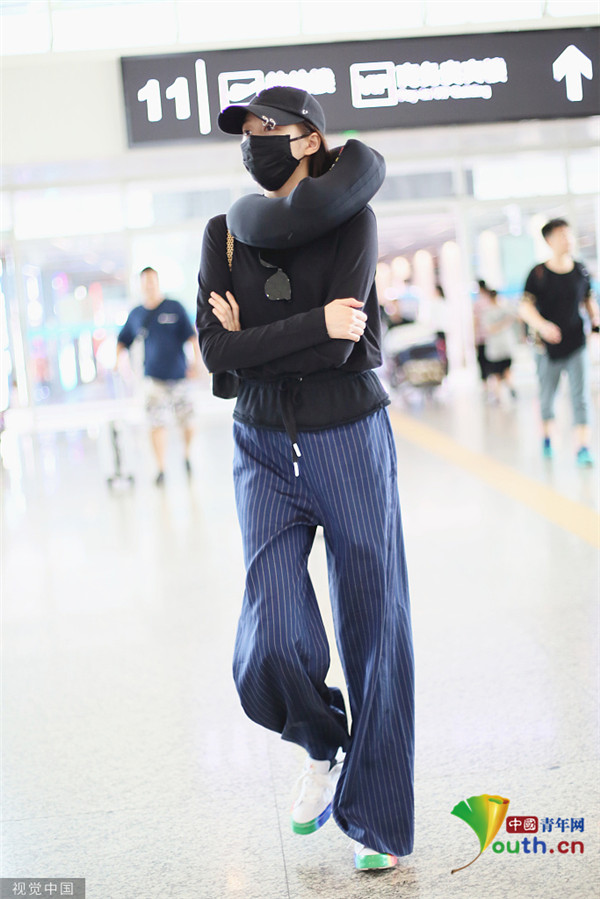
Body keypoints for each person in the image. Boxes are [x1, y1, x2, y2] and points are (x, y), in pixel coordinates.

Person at [196, 86, 414, 872]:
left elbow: (341, 347)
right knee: (270, 635)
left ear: (310, 139)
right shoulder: (223, 235)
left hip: (349, 434)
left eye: (267, 126)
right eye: (245, 129)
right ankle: (324, 740)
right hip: (260, 442)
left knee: (374, 625)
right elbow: (215, 353)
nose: (252, 138)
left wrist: (256, 337)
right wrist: (310, 324)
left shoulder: (354, 220)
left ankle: (377, 820)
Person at [519, 219, 599, 466]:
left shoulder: (580, 270)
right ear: (549, 240)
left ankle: (583, 447)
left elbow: (588, 300)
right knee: (547, 396)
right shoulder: (538, 273)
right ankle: (547, 439)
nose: (568, 239)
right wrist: (542, 326)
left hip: (576, 342)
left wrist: (595, 321)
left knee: (580, 397)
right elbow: (525, 307)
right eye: (562, 235)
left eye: (569, 234)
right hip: (546, 347)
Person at [116, 266, 201, 484]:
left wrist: (196, 363)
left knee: (188, 421)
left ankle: (186, 455)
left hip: (179, 376)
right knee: (156, 424)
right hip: (153, 379)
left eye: (152, 281)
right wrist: (119, 365)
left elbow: (192, 337)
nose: (149, 286)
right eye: (146, 282)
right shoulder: (137, 314)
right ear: (141, 285)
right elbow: (123, 340)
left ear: (158, 282)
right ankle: (161, 468)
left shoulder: (174, 307)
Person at [482, 289, 517, 404]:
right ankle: (509, 390)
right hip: (504, 346)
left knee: (497, 374)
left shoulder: (488, 312)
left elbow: (489, 329)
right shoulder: (504, 309)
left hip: (497, 348)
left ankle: (498, 396)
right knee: (506, 371)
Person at [473, 279, 492, 398]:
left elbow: (475, 322)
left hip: (482, 338)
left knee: (483, 362)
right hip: (493, 338)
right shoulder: (491, 300)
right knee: (492, 363)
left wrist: (475, 338)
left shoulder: (478, 303)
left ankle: (486, 387)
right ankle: (494, 386)